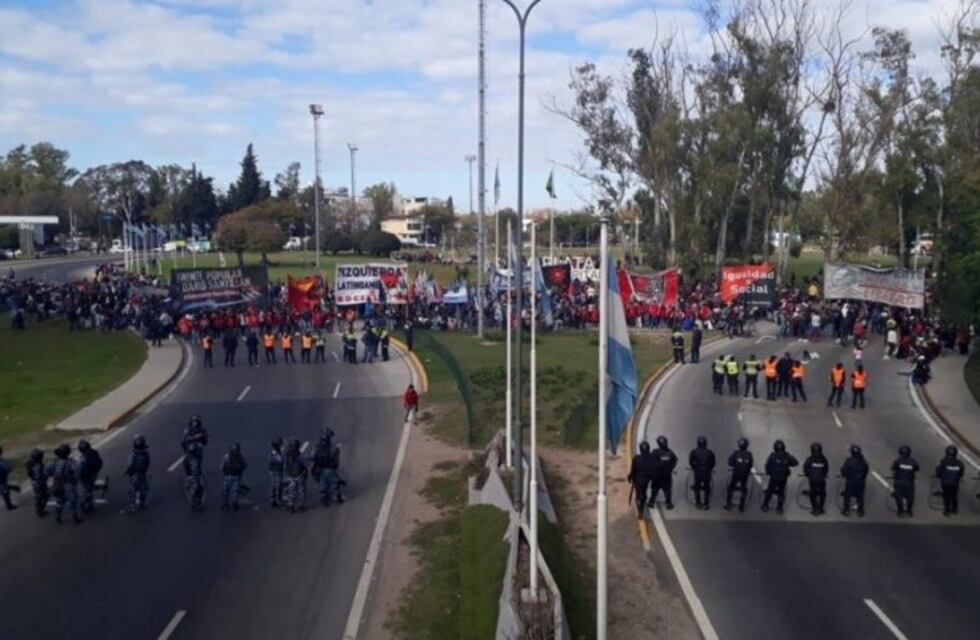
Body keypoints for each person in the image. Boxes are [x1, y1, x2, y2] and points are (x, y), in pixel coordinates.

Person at [47, 444, 81, 524]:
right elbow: (78, 471)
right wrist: (75, 480)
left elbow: (47, 471)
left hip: (57, 483)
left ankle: (58, 517)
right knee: (72, 501)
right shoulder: (71, 462)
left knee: (59, 501)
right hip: (68, 484)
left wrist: (54, 474)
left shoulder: (54, 462)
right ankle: (74, 517)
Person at [761, 440, 798, 513]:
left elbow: (767, 466)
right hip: (783, 478)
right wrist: (789, 457)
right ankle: (779, 508)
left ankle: (765, 505)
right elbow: (795, 463)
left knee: (770, 491)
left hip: (774, 477)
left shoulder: (772, 456)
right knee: (781, 493)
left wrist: (769, 473)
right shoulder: (787, 456)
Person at [724, 438, 753, 512]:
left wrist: (735, 465)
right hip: (745, 475)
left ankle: (728, 505)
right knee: (744, 489)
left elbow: (730, 462)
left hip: (736, 473)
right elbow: (750, 465)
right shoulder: (749, 454)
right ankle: (741, 507)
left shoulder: (736, 453)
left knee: (731, 488)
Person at [648, 436, 678, 509]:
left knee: (654, 490)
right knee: (667, 491)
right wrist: (670, 468)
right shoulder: (670, 452)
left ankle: (651, 502)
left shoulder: (655, 452)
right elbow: (675, 461)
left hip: (657, 475)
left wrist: (651, 472)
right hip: (666, 476)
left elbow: (651, 462)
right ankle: (668, 504)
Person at [936, 445, 965, 517]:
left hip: (945, 482)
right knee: (954, 495)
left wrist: (939, 475)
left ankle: (947, 510)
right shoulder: (960, 463)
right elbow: (961, 474)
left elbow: (938, 472)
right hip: (955, 483)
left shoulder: (943, 461)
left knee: (946, 496)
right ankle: (955, 509)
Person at [628, 441, 655, 518]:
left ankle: (639, 509)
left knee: (637, 495)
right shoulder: (651, 458)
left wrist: (630, 477)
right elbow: (653, 469)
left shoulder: (636, 458)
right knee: (644, 494)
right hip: (646, 480)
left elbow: (633, 470)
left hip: (637, 480)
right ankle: (641, 509)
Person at [891, 445, 919, 517]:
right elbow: (916, 469)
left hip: (899, 482)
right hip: (909, 483)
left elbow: (893, 469)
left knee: (898, 497)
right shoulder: (913, 462)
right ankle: (909, 511)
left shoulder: (897, 461)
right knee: (910, 497)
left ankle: (900, 511)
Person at [840, 445, 869, 517]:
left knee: (847, 495)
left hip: (851, 481)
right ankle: (860, 511)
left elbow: (844, 470)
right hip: (861, 482)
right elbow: (866, 470)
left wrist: (845, 475)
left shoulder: (849, 461)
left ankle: (846, 510)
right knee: (860, 496)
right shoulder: (863, 461)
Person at [125, 435, 151, 513]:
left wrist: (126, 471)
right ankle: (142, 502)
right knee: (143, 488)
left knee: (133, 489)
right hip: (142, 473)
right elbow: (147, 463)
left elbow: (130, 465)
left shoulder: (133, 455)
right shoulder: (145, 454)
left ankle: (132, 505)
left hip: (135, 474)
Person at [689, 436, 716, 510]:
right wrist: (709, 468)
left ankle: (698, 503)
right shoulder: (710, 452)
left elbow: (691, 462)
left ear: (697, 443)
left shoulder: (694, 452)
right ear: (706, 443)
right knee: (707, 488)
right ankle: (706, 504)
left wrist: (694, 468)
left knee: (697, 487)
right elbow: (713, 462)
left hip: (698, 472)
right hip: (707, 473)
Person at [77, 439, 103, 513]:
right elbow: (100, 462)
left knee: (87, 490)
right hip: (92, 474)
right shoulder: (94, 453)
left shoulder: (83, 457)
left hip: (85, 476)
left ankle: (85, 504)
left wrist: (78, 475)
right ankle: (89, 504)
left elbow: (79, 468)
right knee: (89, 490)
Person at [803, 443, 829, 516]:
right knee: (822, 493)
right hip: (821, 480)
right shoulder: (823, 459)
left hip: (813, 480)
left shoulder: (810, 459)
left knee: (813, 494)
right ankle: (821, 508)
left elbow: (805, 468)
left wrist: (808, 474)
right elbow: (826, 469)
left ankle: (815, 509)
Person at [220, 443, 247, 511]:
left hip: (230, 476)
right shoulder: (240, 457)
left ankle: (226, 504)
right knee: (235, 491)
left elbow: (222, 466)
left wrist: (224, 473)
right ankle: (234, 504)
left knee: (227, 490)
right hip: (235, 476)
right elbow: (244, 465)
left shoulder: (228, 456)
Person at [284, 438, 307, 513]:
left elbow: (285, 466)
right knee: (301, 491)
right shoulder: (299, 455)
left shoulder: (287, 455)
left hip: (291, 476)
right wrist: (304, 472)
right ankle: (301, 505)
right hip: (299, 475)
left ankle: (291, 506)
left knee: (291, 492)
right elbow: (304, 464)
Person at [182, 439, 206, 510]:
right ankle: (197, 503)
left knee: (192, 490)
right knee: (198, 489)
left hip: (188, 476)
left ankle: (194, 503)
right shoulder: (193, 460)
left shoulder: (186, 457)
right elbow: (196, 470)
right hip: (194, 476)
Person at [27, 448, 49, 518]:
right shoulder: (38, 466)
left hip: (35, 483)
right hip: (39, 484)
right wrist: (46, 475)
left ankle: (39, 509)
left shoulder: (30, 463)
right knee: (45, 496)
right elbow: (40, 477)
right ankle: (40, 511)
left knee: (39, 497)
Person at [268, 438, 285, 508]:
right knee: (278, 486)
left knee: (273, 485)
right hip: (277, 471)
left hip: (272, 471)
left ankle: (272, 500)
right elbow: (281, 461)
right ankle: (278, 500)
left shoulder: (272, 453)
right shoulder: (277, 453)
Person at [0, 445, 17, 511]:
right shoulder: (2, 462)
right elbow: (9, 469)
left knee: (4, 489)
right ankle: (9, 505)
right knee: (5, 491)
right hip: (2, 479)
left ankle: (8, 504)